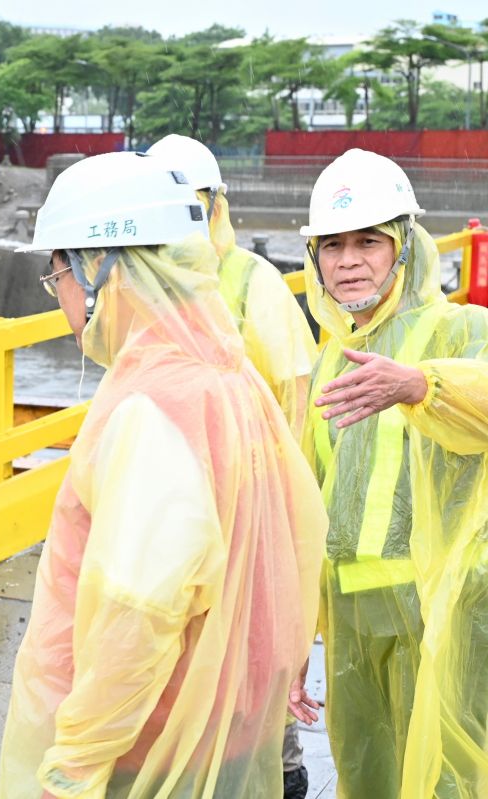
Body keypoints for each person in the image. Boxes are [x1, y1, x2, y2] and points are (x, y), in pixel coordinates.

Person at [0, 151, 325, 798]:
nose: (58, 293)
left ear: (101, 269)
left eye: (58, 272)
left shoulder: (152, 408)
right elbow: (298, 531)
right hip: (224, 726)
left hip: (148, 751)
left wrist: (73, 768)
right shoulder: (229, 379)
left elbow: (137, 611)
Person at [288, 148, 488, 799]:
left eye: (368, 242)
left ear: (404, 245)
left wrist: (421, 385)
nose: (348, 261)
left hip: (444, 615)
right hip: (352, 620)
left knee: (450, 779)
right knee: (366, 776)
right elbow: (310, 509)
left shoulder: (458, 330)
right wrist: (295, 641)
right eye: (332, 245)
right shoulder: (328, 362)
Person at [147, 133, 319, 799]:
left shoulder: (254, 283)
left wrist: (275, 525)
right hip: (176, 522)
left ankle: (282, 775)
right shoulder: (147, 285)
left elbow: (294, 410)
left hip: (251, 517)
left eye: (192, 205)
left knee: (256, 680)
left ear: (216, 205)